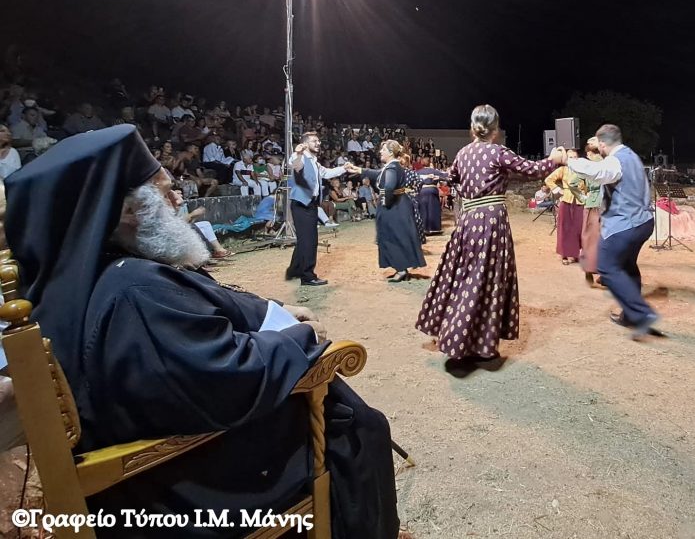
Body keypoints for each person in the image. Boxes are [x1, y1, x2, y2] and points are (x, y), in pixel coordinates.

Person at [3, 126, 399, 538]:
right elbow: (226, 374)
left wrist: (271, 311)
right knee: (360, 428)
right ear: (125, 210)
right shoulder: (133, 292)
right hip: (188, 486)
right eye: (164, 191)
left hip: (179, 453)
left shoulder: (101, 274)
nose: (178, 200)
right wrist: (297, 337)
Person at [415, 105, 565, 364]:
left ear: (473, 128)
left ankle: (454, 333)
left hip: (467, 221)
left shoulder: (463, 153)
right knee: (488, 278)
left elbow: (452, 178)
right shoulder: (498, 152)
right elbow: (533, 169)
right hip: (491, 221)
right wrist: (555, 159)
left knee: (463, 274)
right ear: (495, 130)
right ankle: (478, 343)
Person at [567, 124, 660, 340]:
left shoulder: (615, 161)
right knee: (627, 267)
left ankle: (641, 314)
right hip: (644, 222)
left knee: (606, 267)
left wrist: (568, 161)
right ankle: (629, 316)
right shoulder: (632, 155)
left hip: (625, 224)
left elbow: (599, 172)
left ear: (602, 144)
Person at [349, 141, 425, 282]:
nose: (380, 152)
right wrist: (359, 170)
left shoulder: (391, 168)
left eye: (383, 149)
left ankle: (401, 269)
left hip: (394, 206)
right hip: (400, 204)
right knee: (398, 235)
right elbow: (377, 173)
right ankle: (402, 267)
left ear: (390, 153)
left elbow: (389, 187)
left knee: (391, 236)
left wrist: (386, 201)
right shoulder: (393, 166)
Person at [286, 132, 350, 286]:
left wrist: (344, 168)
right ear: (305, 143)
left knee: (304, 240)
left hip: (311, 204)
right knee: (310, 241)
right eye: (314, 141)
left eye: (319, 140)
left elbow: (327, 173)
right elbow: (295, 165)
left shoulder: (314, 161)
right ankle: (308, 277)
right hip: (302, 204)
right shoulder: (299, 157)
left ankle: (294, 270)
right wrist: (298, 152)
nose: (318, 143)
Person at [544, 149, 585, 265]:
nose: (572, 159)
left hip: (580, 202)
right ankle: (565, 255)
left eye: (574, 157)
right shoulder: (563, 170)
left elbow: (588, 186)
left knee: (579, 228)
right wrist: (558, 190)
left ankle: (576, 253)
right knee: (565, 229)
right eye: (570, 157)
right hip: (566, 201)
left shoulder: (583, 171)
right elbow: (548, 179)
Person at [578, 137, 604, 287]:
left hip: (592, 204)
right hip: (607, 206)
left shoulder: (587, 166)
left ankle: (589, 269)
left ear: (589, 153)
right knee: (605, 239)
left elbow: (574, 182)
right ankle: (603, 273)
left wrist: (582, 196)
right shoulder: (608, 163)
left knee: (589, 238)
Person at [415, 156, 448, 235]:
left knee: (423, 209)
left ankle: (423, 228)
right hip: (432, 191)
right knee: (433, 209)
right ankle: (434, 228)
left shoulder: (417, 172)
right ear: (430, 163)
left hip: (422, 191)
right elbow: (446, 176)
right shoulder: (434, 171)